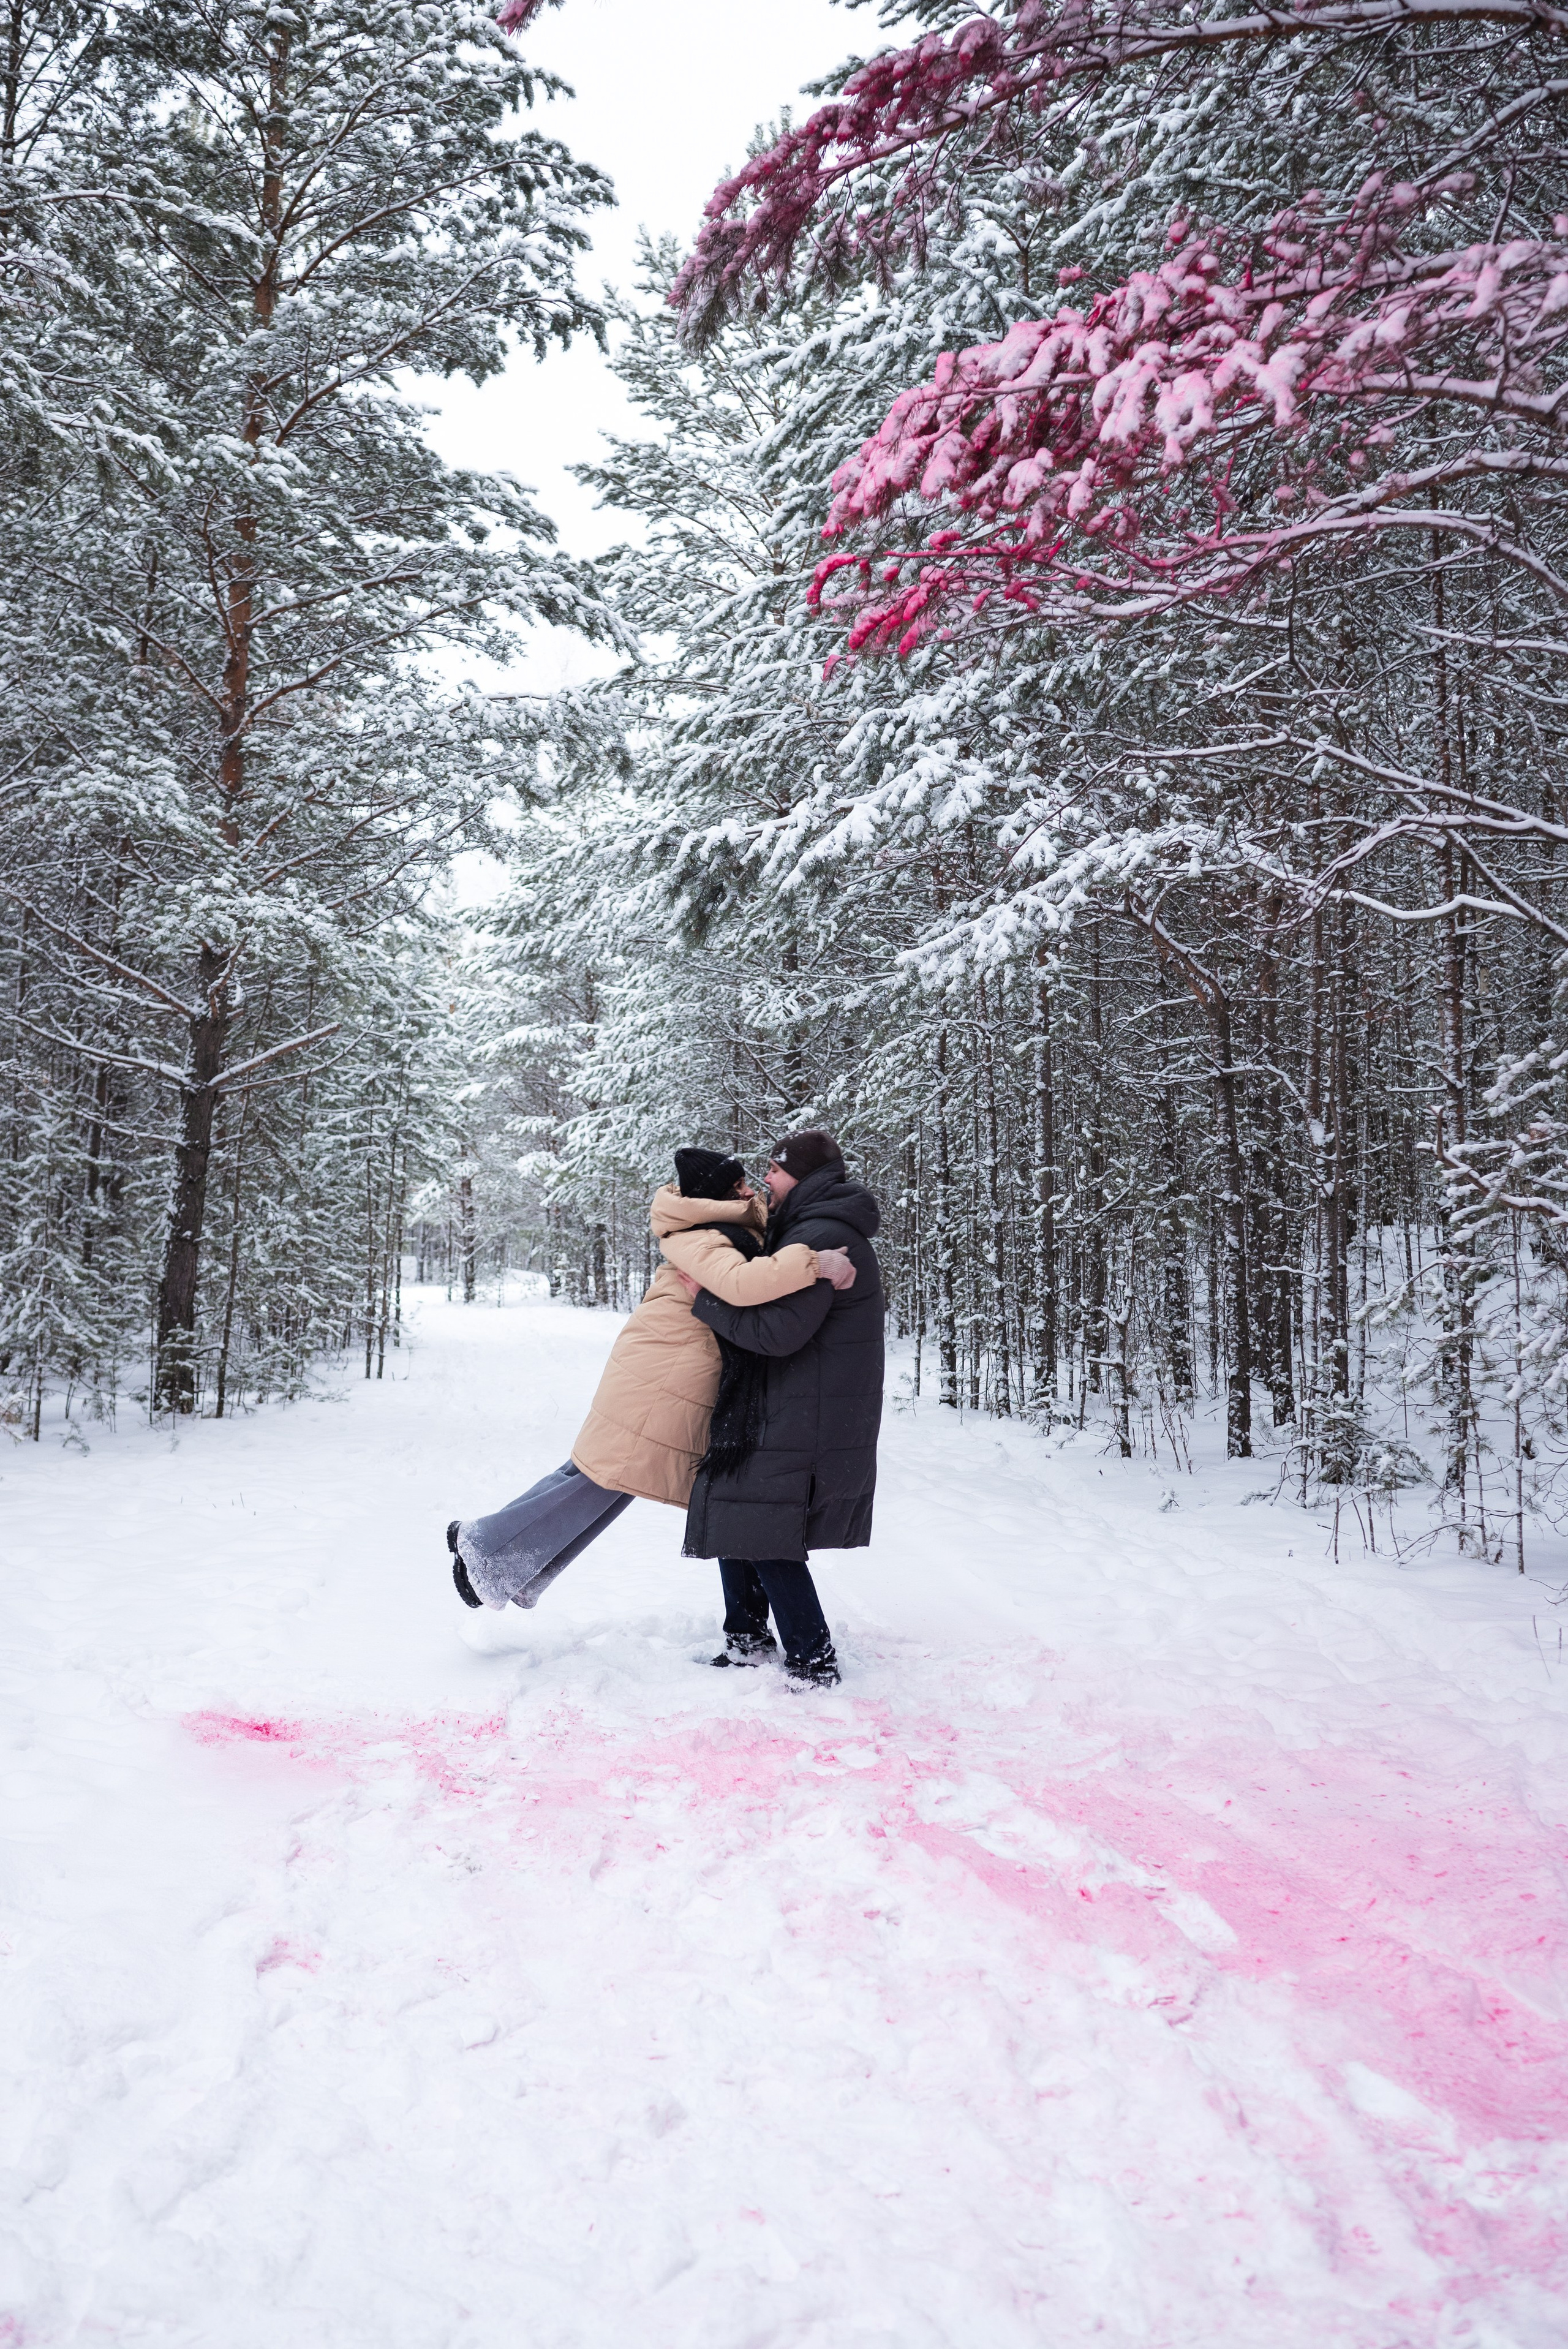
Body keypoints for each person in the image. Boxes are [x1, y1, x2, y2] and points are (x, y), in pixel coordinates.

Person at [446, 1147, 856, 1611]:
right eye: (739, 1186)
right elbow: (743, 1284)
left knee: (604, 1474)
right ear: (717, 1195)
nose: (751, 1189)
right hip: (661, 1376)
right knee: (605, 1476)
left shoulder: (720, 1227)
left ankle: (509, 1564)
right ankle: (489, 1554)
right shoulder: (702, 1236)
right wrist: (815, 1264)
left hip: (660, 1369)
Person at [674, 1129, 884, 1687]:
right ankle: (746, 1639)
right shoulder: (803, 1226)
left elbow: (779, 1332)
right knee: (734, 1499)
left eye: (776, 1169)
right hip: (790, 1395)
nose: (767, 1178)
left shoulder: (824, 1233)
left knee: (762, 1519)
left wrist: (704, 1300)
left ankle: (813, 1660)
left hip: (806, 1402)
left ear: (806, 1176)